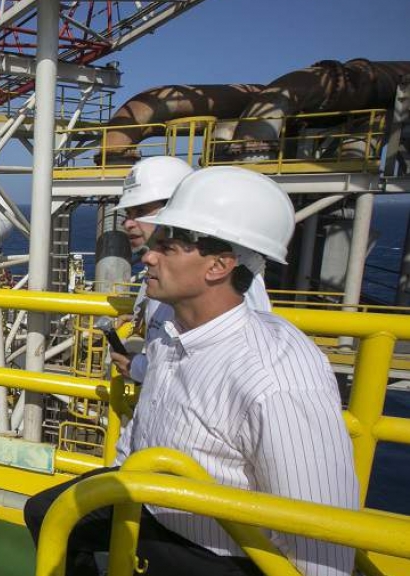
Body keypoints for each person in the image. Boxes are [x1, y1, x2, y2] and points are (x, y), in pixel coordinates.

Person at [24, 166, 358, 576]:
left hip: (220, 556)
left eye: (167, 247)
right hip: (153, 508)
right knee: (48, 512)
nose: (147, 255)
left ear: (218, 266)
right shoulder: (173, 328)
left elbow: (322, 535)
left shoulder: (275, 376)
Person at [110, 155, 271, 384]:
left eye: (140, 211)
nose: (128, 223)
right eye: (127, 214)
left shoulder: (235, 279)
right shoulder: (163, 271)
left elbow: (212, 376)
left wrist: (137, 368)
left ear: (179, 208)